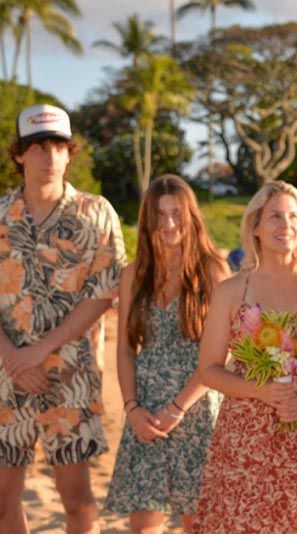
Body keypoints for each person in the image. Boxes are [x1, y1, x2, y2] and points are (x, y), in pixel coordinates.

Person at [195, 181, 297, 532]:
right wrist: (260, 390)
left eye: (294, 216)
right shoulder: (231, 291)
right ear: (255, 226)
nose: (287, 225)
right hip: (247, 438)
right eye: (274, 217)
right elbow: (208, 370)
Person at [0, 104, 126, 532]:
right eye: (37, 146)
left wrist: (38, 351)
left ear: (70, 152)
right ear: (19, 154)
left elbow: (105, 292)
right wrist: (13, 357)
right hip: (5, 376)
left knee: (76, 500)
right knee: (3, 501)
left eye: (57, 145)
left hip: (72, 378)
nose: (48, 156)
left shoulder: (97, 213)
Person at [105, 175, 229, 533]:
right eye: (160, 215)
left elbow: (227, 350)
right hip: (145, 410)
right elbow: (126, 349)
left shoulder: (213, 271)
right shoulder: (135, 275)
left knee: (198, 523)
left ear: (191, 216)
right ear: (148, 220)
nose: (169, 223)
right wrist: (132, 409)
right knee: (143, 524)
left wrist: (179, 407)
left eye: (177, 213)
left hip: (198, 406)